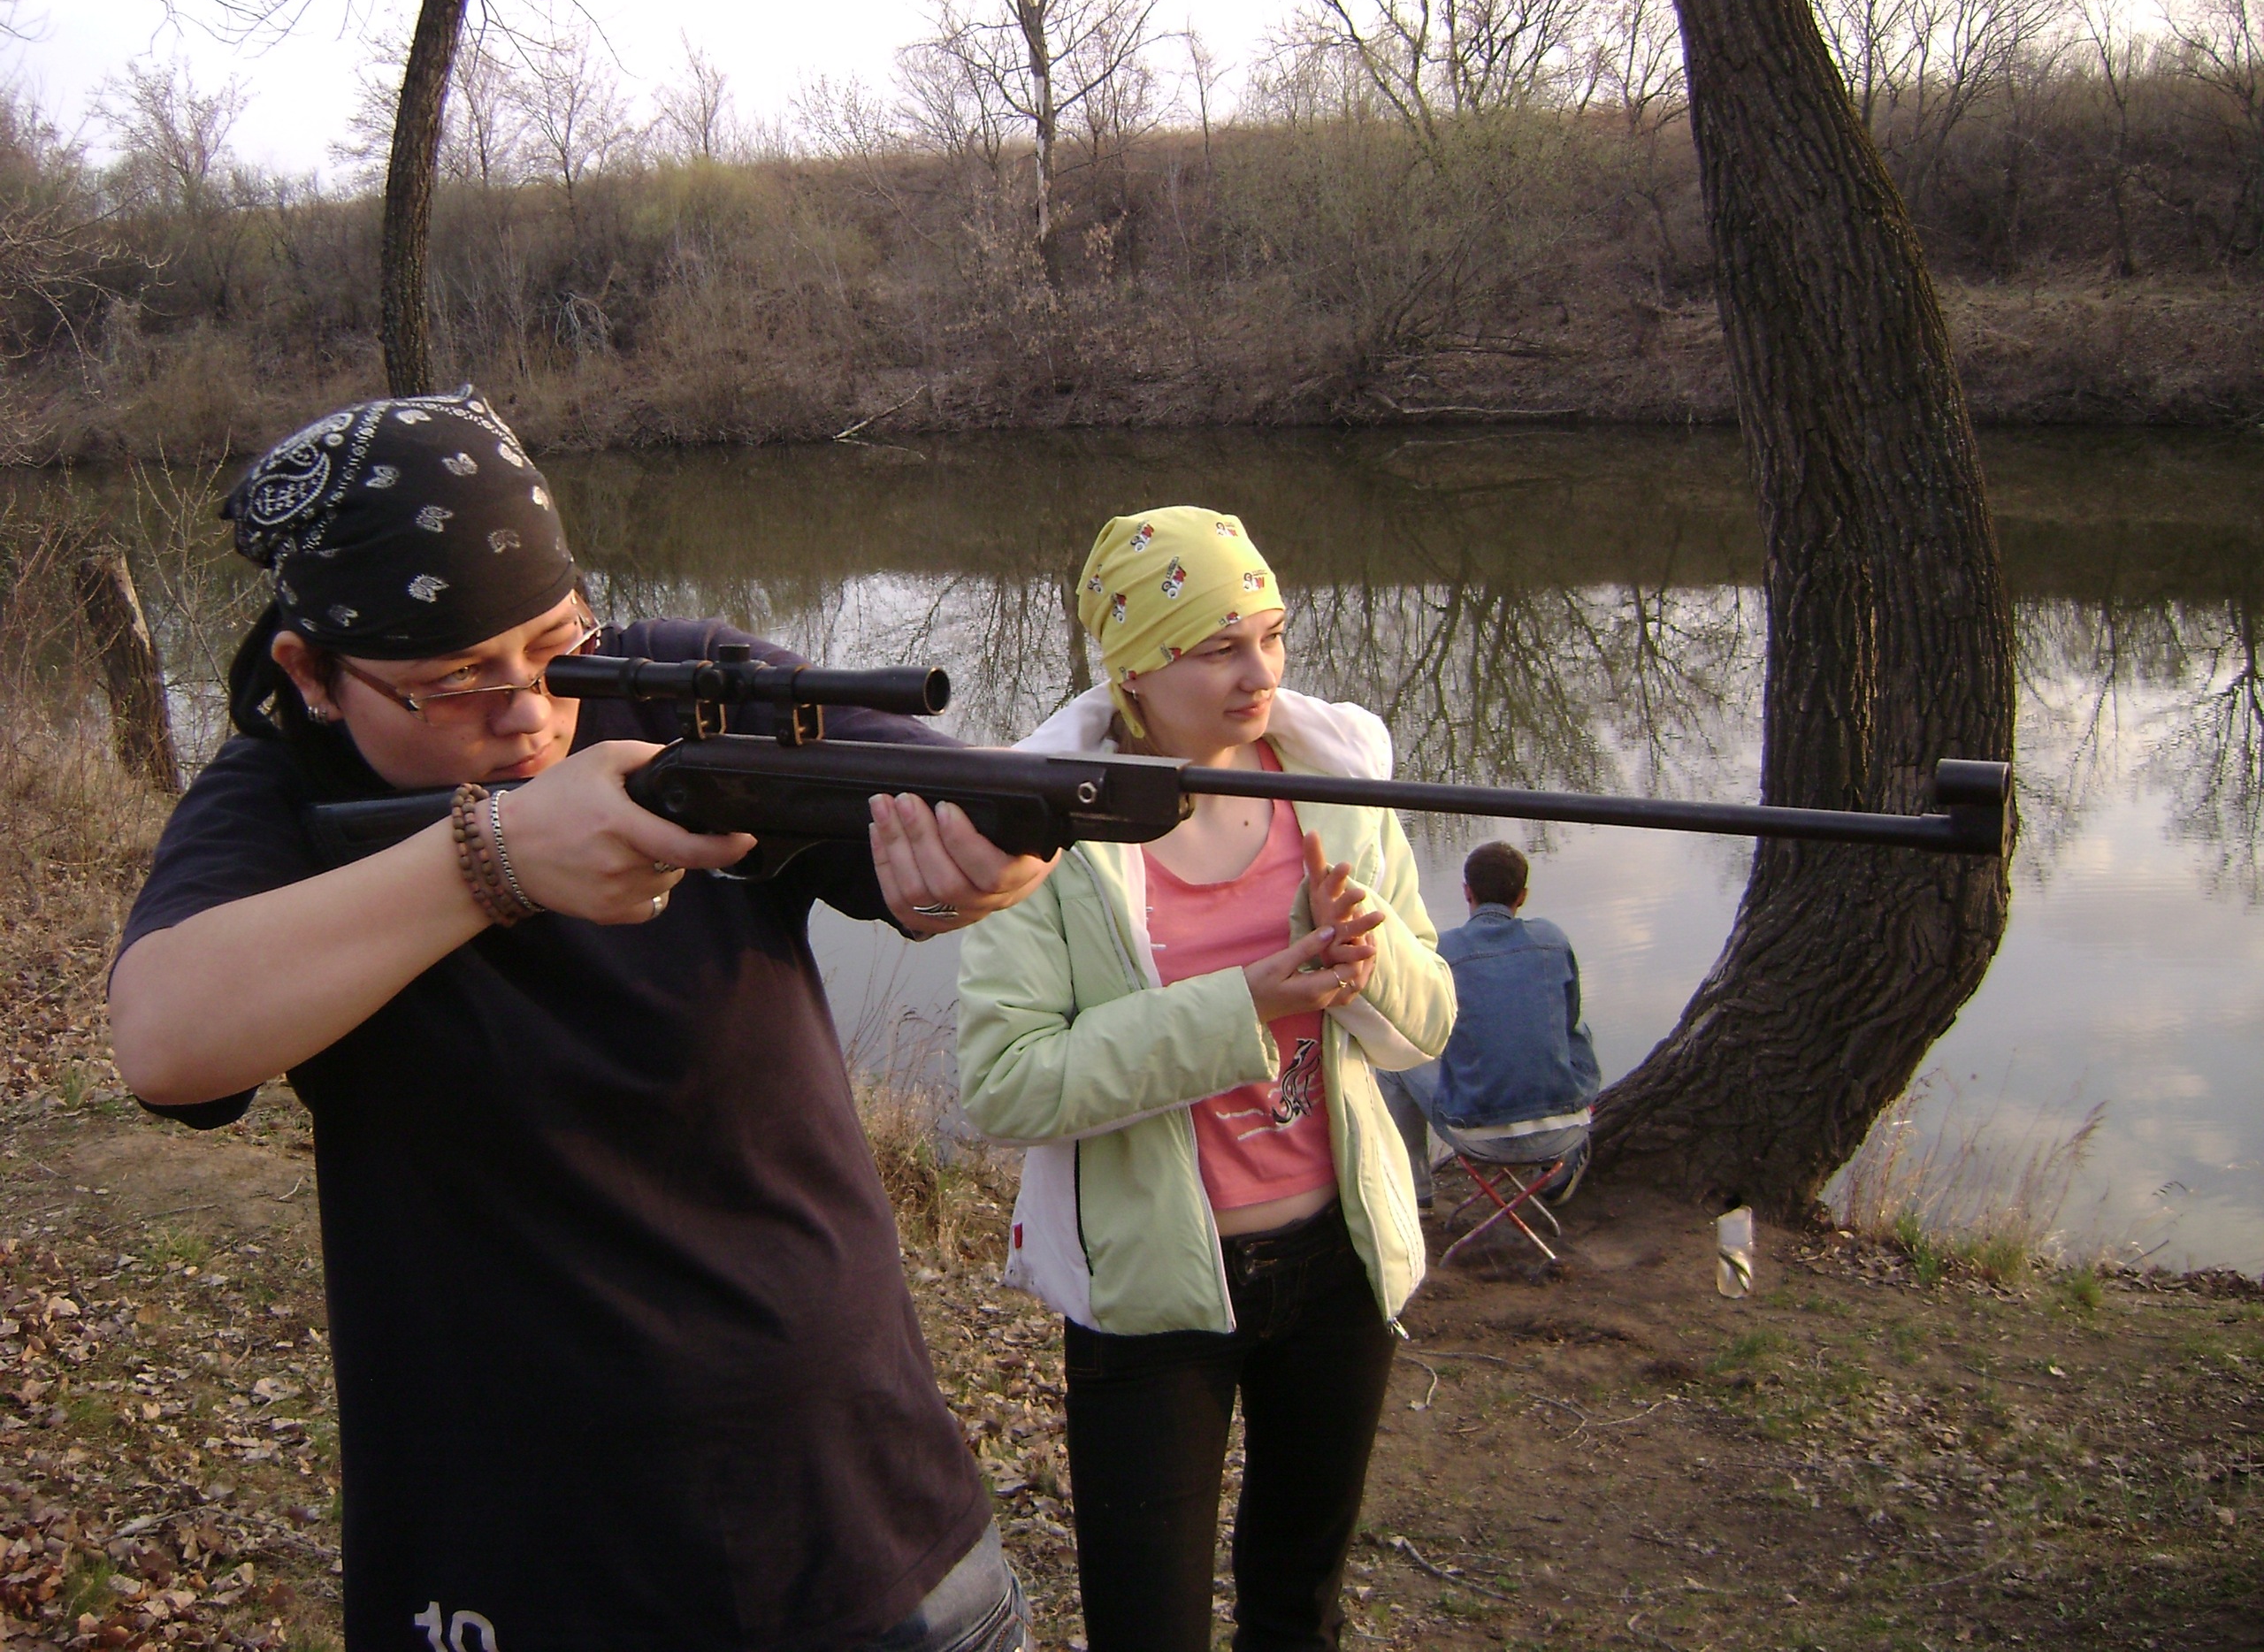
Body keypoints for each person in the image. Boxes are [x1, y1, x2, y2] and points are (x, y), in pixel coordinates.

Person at [105, 390, 1056, 1652]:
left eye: (557, 644)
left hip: (863, 1512)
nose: (528, 711)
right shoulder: (280, 796)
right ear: (312, 675)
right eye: (453, 681)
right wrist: (491, 857)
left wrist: (978, 867)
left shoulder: (679, 689)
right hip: (522, 1554)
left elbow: (953, 805)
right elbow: (165, 1043)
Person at [954, 507, 1457, 1652]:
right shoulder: (1040, 825)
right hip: (1153, 1289)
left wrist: (1367, 961)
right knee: (1148, 1625)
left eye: (1271, 636)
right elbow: (1005, 1082)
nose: (1261, 673)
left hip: (1339, 1265)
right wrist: (1246, 1006)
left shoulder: (1336, 784)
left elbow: (1426, 1028)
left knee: (1299, 1606)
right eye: (1219, 647)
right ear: (1134, 665)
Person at [1379, 841, 1602, 1212]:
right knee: (1575, 1032)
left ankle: (1416, 1193)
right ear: (1523, 896)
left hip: (1477, 1137)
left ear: (1467, 891)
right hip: (1563, 1132)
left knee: (1393, 1061)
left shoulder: (1441, 951)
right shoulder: (1552, 939)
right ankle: (1558, 1173)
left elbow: (1424, 1030)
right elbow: (1569, 1017)